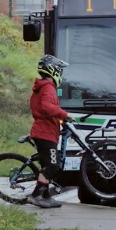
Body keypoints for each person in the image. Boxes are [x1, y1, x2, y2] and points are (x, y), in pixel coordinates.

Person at [27, 54, 74, 208]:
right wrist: (64, 115)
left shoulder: (44, 87)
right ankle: (36, 196)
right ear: (52, 70)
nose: (61, 73)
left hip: (46, 132)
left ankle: (46, 197)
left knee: (48, 164)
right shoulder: (48, 87)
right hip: (44, 134)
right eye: (59, 70)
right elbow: (47, 107)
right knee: (52, 166)